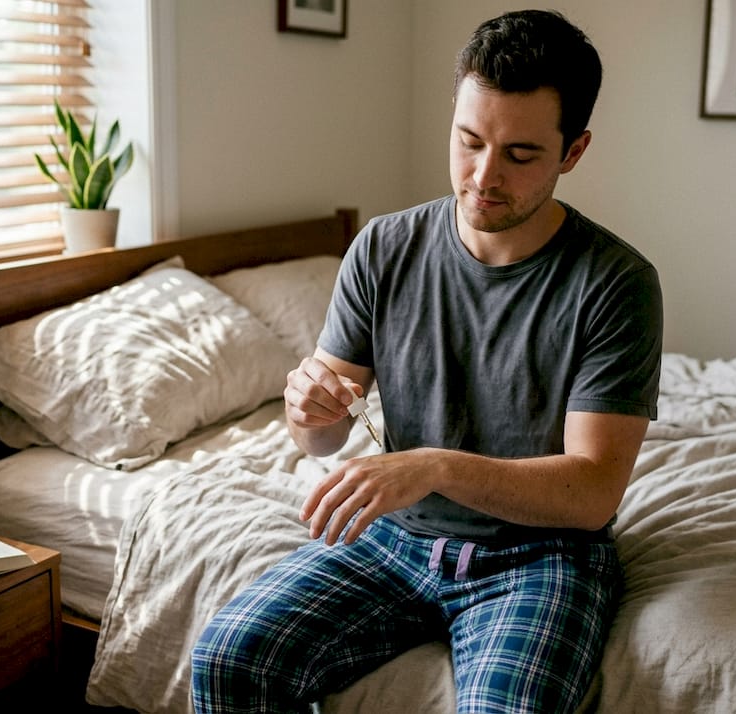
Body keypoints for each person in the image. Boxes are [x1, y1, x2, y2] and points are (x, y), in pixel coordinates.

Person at [192, 9, 662, 713]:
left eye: (520, 155)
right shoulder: (383, 248)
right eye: (468, 140)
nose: (482, 176)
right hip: (392, 542)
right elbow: (324, 432)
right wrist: (308, 411)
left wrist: (433, 466)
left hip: (541, 557)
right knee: (227, 660)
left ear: (574, 151)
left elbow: (593, 490)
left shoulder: (616, 282)